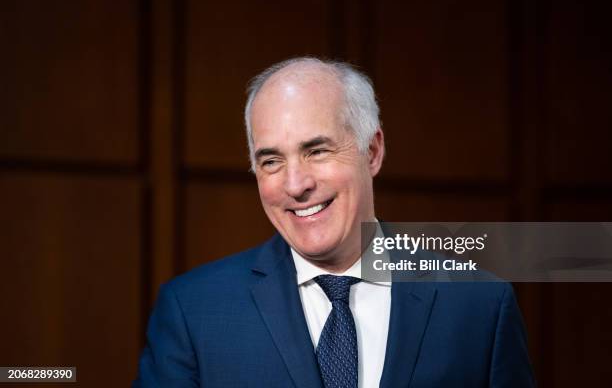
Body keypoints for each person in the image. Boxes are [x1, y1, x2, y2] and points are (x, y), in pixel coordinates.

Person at [134, 57, 535, 387]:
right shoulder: (194, 311)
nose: (295, 184)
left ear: (373, 151)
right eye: (271, 161)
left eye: (317, 151)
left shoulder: (479, 305)